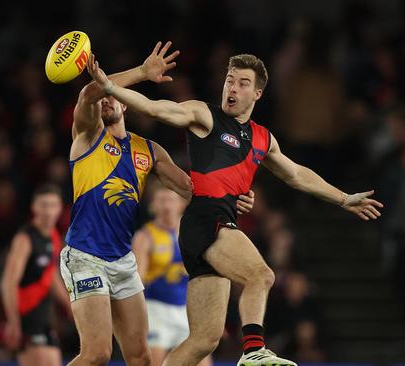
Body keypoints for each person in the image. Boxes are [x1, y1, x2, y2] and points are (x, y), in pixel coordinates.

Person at [87, 50, 384, 366]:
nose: (233, 88)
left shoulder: (262, 139)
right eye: (230, 80)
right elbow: (157, 109)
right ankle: (254, 350)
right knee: (262, 275)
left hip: (213, 227)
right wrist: (110, 87)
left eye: (243, 83)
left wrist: (342, 198)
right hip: (205, 220)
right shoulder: (205, 115)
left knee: (204, 340)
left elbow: (297, 174)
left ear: (257, 93)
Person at [60, 41, 256, 366]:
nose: (107, 98)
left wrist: (233, 195)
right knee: (97, 354)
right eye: (105, 93)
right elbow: (87, 95)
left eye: (115, 96)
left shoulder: (148, 151)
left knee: (140, 358)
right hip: (85, 257)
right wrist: (141, 73)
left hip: (122, 262)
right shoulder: (87, 137)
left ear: (126, 106)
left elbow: (193, 189)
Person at [132, 183, 215, 366]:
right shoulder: (145, 237)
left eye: (170, 200)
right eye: (161, 201)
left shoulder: (194, 233)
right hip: (156, 309)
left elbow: (207, 275)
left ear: (181, 204)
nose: (166, 206)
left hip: (188, 310)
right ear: (153, 205)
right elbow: (138, 279)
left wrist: (212, 313)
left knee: (203, 362)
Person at [1, 184, 70, 366]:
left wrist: (69, 304)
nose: (48, 211)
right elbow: (9, 282)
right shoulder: (25, 239)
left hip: (44, 317)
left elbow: (50, 274)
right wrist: (13, 321)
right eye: (43, 205)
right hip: (26, 316)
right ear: (34, 207)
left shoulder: (54, 236)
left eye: (53, 205)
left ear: (60, 208)